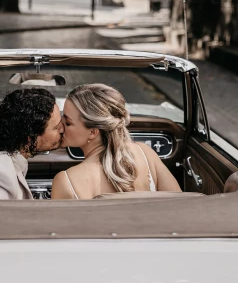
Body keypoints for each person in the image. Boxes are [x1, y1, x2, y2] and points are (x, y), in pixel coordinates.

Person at [51, 84, 181, 200]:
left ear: (93, 132)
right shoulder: (145, 154)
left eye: (68, 123)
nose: (60, 126)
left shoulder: (66, 181)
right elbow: (179, 205)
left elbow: (59, 226)